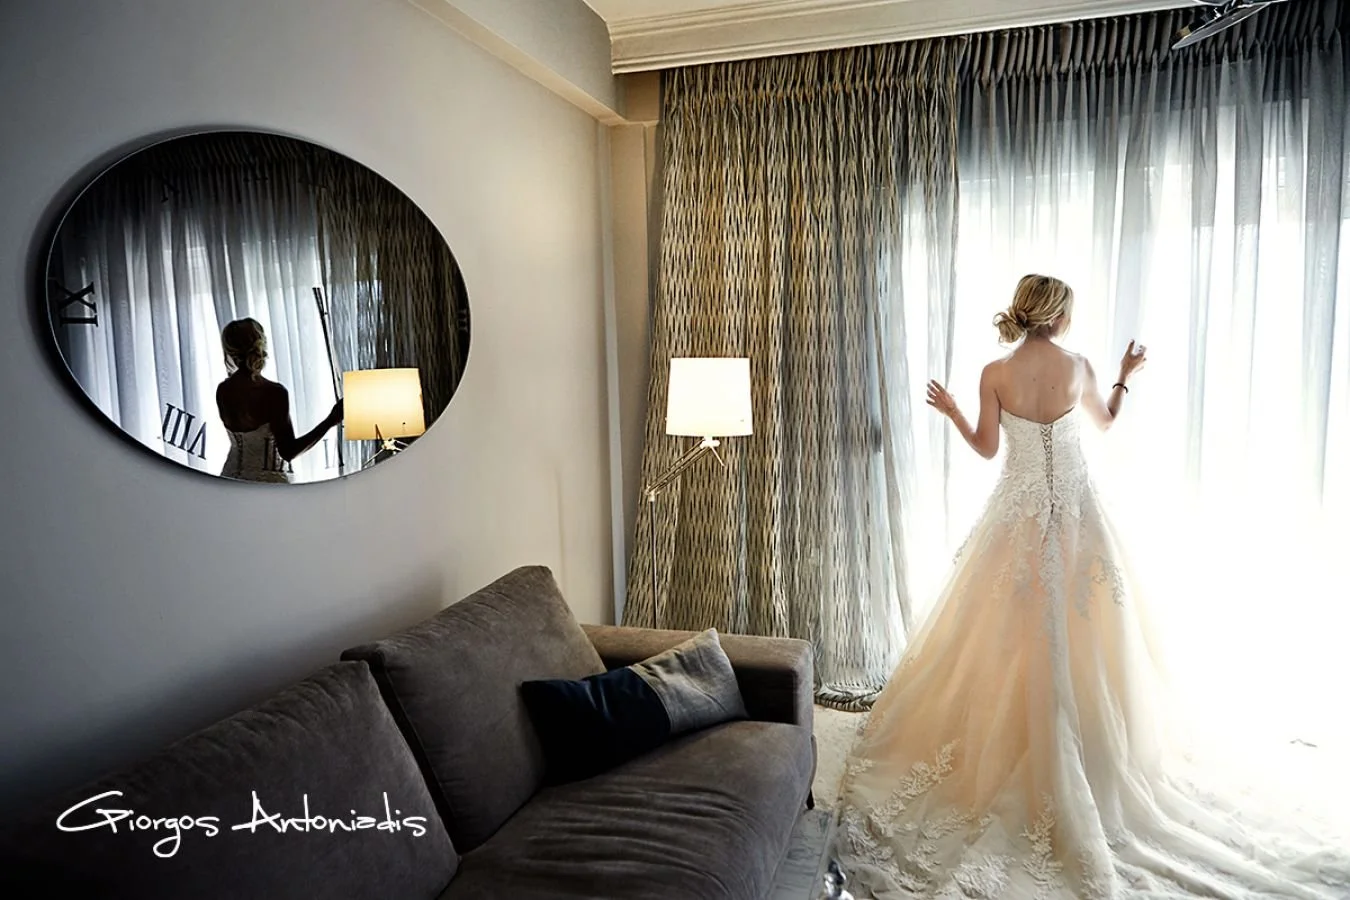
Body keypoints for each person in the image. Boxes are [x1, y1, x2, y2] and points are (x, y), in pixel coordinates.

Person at [832, 275, 1348, 899]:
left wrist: (953, 415)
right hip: (1078, 521)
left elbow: (987, 449)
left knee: (1002, 640)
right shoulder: (1079, 365)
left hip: (1017, 522)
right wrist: (1126, 374)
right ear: (1060, 315)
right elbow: (1105, 423)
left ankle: (1025, 746)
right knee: (1089, 639)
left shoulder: (995, 370)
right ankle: (1089, 753)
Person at [215, 318, 342, 483]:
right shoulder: (273, 393)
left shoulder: (224, 390)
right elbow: (288, 451)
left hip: (229, 481)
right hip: (268, 484)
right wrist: (331, 420)